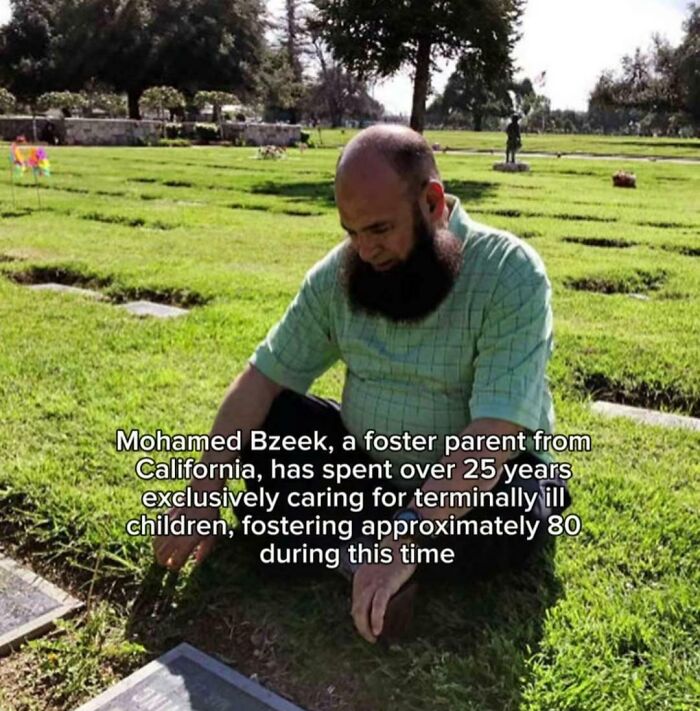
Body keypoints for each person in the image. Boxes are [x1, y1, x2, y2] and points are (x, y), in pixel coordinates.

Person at [153, 125, 571, 644]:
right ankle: (372, 556)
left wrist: (410, 531)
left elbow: (496, 433)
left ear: (433, 202)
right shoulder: (340, 274)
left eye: (379, 229)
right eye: (352, 232)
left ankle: (369, 553)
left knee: (507, 518)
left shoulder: (510, 272)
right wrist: (202, 490)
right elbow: (261, 379)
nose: (365, 250)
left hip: (482, 483)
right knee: (277, 423)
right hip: (371, 472)